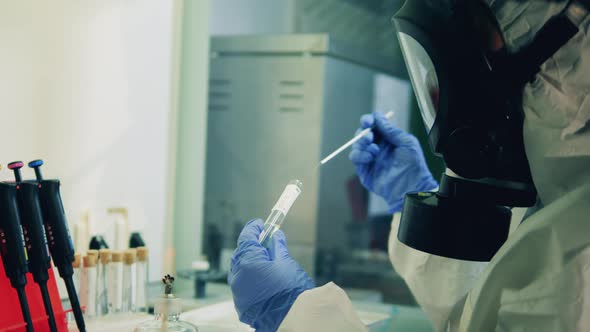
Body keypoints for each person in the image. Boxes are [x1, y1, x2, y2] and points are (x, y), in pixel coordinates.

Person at [228, 1, 590, 331]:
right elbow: (482, 317)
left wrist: (296, 313)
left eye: (478, 35)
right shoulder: (564, 203)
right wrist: (410, 199)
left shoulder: (579, 258)